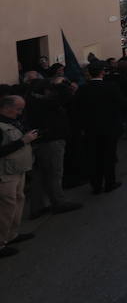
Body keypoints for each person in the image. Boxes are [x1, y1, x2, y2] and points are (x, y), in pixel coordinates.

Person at [24, 80, 81, 217]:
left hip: (40, 140)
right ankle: (59, 202)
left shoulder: (30, 101)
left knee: (39, 175)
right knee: (54, 173)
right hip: (51, 140)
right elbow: (66, 96)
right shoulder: (46, 103)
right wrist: (60, 84)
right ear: (45, 91)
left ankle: (37, 206)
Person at [75, 61, 127, 194]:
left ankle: (96, 185)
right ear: (102, 72)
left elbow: (77, 109)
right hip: (109, 128)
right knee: (109, 156)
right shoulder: (110, 87)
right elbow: (123, 103)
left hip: (90, 129)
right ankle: (109, 183)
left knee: (94, 157)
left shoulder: (82, 89)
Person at [0, 95, 37, 258]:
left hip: (18, 169)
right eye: (18, 109)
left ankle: (11, 235)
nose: (20, 112)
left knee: (17, 201)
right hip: (5, 173)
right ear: (6, 108)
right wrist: (23, 141)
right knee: (6, 207)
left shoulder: (13, 121)